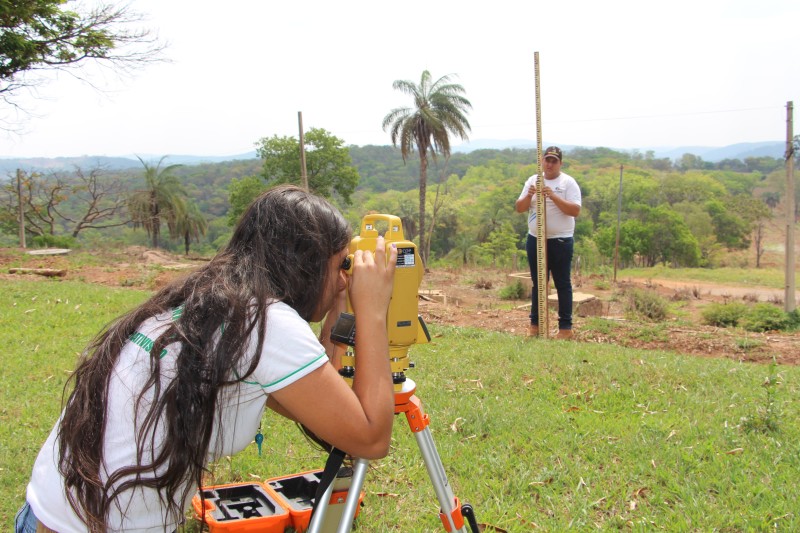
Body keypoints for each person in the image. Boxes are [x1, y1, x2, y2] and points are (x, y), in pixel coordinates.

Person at [15, 185, 397, 533]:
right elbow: (371, 438)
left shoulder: (209, 299)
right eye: (340, 265)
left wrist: (340, 308)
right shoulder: (268, 323)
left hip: (44, 514)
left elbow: (320, 408)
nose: (345, 277)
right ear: (308, 265)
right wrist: (373, 312)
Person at [515, 146, 582, 340]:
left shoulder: (568, 183)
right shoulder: (532, 180)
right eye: (547, 160)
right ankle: (535, 325)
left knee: (562, 283)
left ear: (560, 163)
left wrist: (552, 196)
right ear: (542, 161)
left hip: (560, 240)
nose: (550, 164)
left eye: (554, 161)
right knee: (538, 283)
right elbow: (519, 208)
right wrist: (529, 195)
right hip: (535, 239)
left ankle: (565, 328)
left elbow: (575, 211)